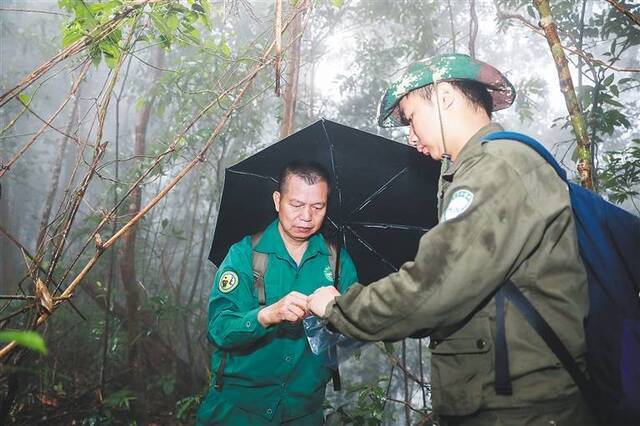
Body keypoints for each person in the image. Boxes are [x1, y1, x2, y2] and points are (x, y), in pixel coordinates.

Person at [308, 53, 595, 425]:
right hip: (504, 401)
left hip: (523, 409)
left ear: (445, 97)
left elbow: (433, 288)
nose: (411, 136)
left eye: (411, 119)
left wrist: (338, 307)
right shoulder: (477, 170)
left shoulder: (497, 168)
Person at [197, 160, 358, 425]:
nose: (306, 216)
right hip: (237, 410)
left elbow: (353, 337)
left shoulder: (337, 264)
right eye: (296, 205)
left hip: (303, 412)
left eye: (318, 207)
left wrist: (336, 316)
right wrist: (267, 315)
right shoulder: (245, 255)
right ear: (277, 200)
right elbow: (219, 329)